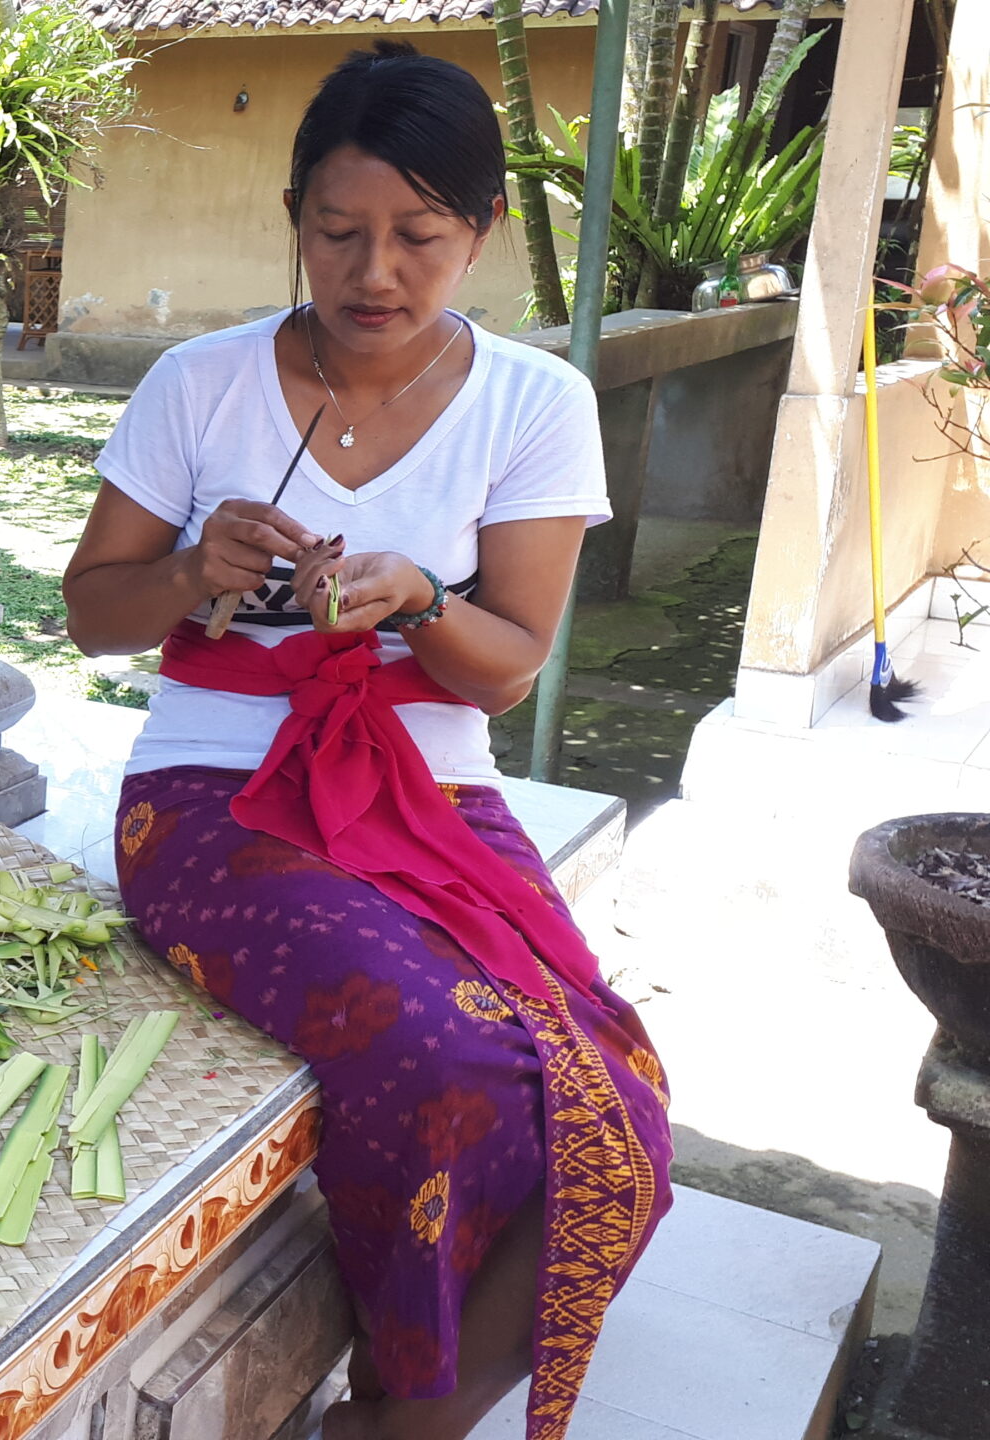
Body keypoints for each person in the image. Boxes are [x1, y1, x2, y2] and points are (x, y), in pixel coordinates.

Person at [61, 41, 671, 1440]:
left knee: (618, 1108)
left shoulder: (536, 404)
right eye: (338, 233)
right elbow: (95, 614)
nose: (374, 272)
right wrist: (194, 573)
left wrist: (422, 603)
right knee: (447, 1057)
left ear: (484, 236)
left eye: (419, 238)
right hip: (214, 792)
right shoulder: (201, 386)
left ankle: (405, 1415)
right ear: (296, 222)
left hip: (430, 789)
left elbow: (508, 666)